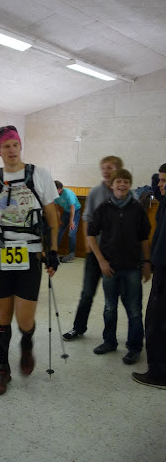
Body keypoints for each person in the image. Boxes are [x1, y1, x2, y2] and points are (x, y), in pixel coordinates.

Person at [0, 126, 59, 395]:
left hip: (30, 255)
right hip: (2, 255)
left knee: (24, 319)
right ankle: (3, 369)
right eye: (6, 146)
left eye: (15, 145)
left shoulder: (39, 175)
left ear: (20, 146)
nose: (11, 150)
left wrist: (53, 249)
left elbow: (51, 216)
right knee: (2, 316)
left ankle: (26, 343)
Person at [87, 169, 151, 365]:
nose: (122, 185)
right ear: (112, 185)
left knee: (133, 309)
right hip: (109, 268)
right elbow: (91, 234)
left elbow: (144, 238)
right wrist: (101, 260)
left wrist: (147, 263)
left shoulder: (137, 208)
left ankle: (134, 347)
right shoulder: (103, 208)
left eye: (126, 182)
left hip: (132, 267)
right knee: (109, 308)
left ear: (129, 185)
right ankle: (109, 341)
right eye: (119, 182)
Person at [63, 156, 123, 341]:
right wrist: (88, 245)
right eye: (103, 167)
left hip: (115, 254)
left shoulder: (125, 193)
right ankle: (78, 328)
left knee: (111, 299)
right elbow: (86, 220)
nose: (106, 171)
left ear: (118, 170)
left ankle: (109, 338)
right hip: (94, 253)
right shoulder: (95, 192)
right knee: (87, 293)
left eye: (110, 168)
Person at [132, 164, 166, 388]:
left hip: (164, 271)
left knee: (156, 321)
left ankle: (158, 374)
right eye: (160, 180)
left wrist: (153, 263)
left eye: (164, 181)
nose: (160, 185)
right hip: (160, 266)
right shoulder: (163, 204)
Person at [54, 180, 81, 263]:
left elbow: (72, 208)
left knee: (71, 232)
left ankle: (71, 254)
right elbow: (56, 209)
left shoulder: (68, 193)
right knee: (59, 231)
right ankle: (54, 252)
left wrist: (71, 221)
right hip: (66, 212)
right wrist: (59, 220)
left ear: (59, 189)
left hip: (75, 211)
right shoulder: (55, 195)